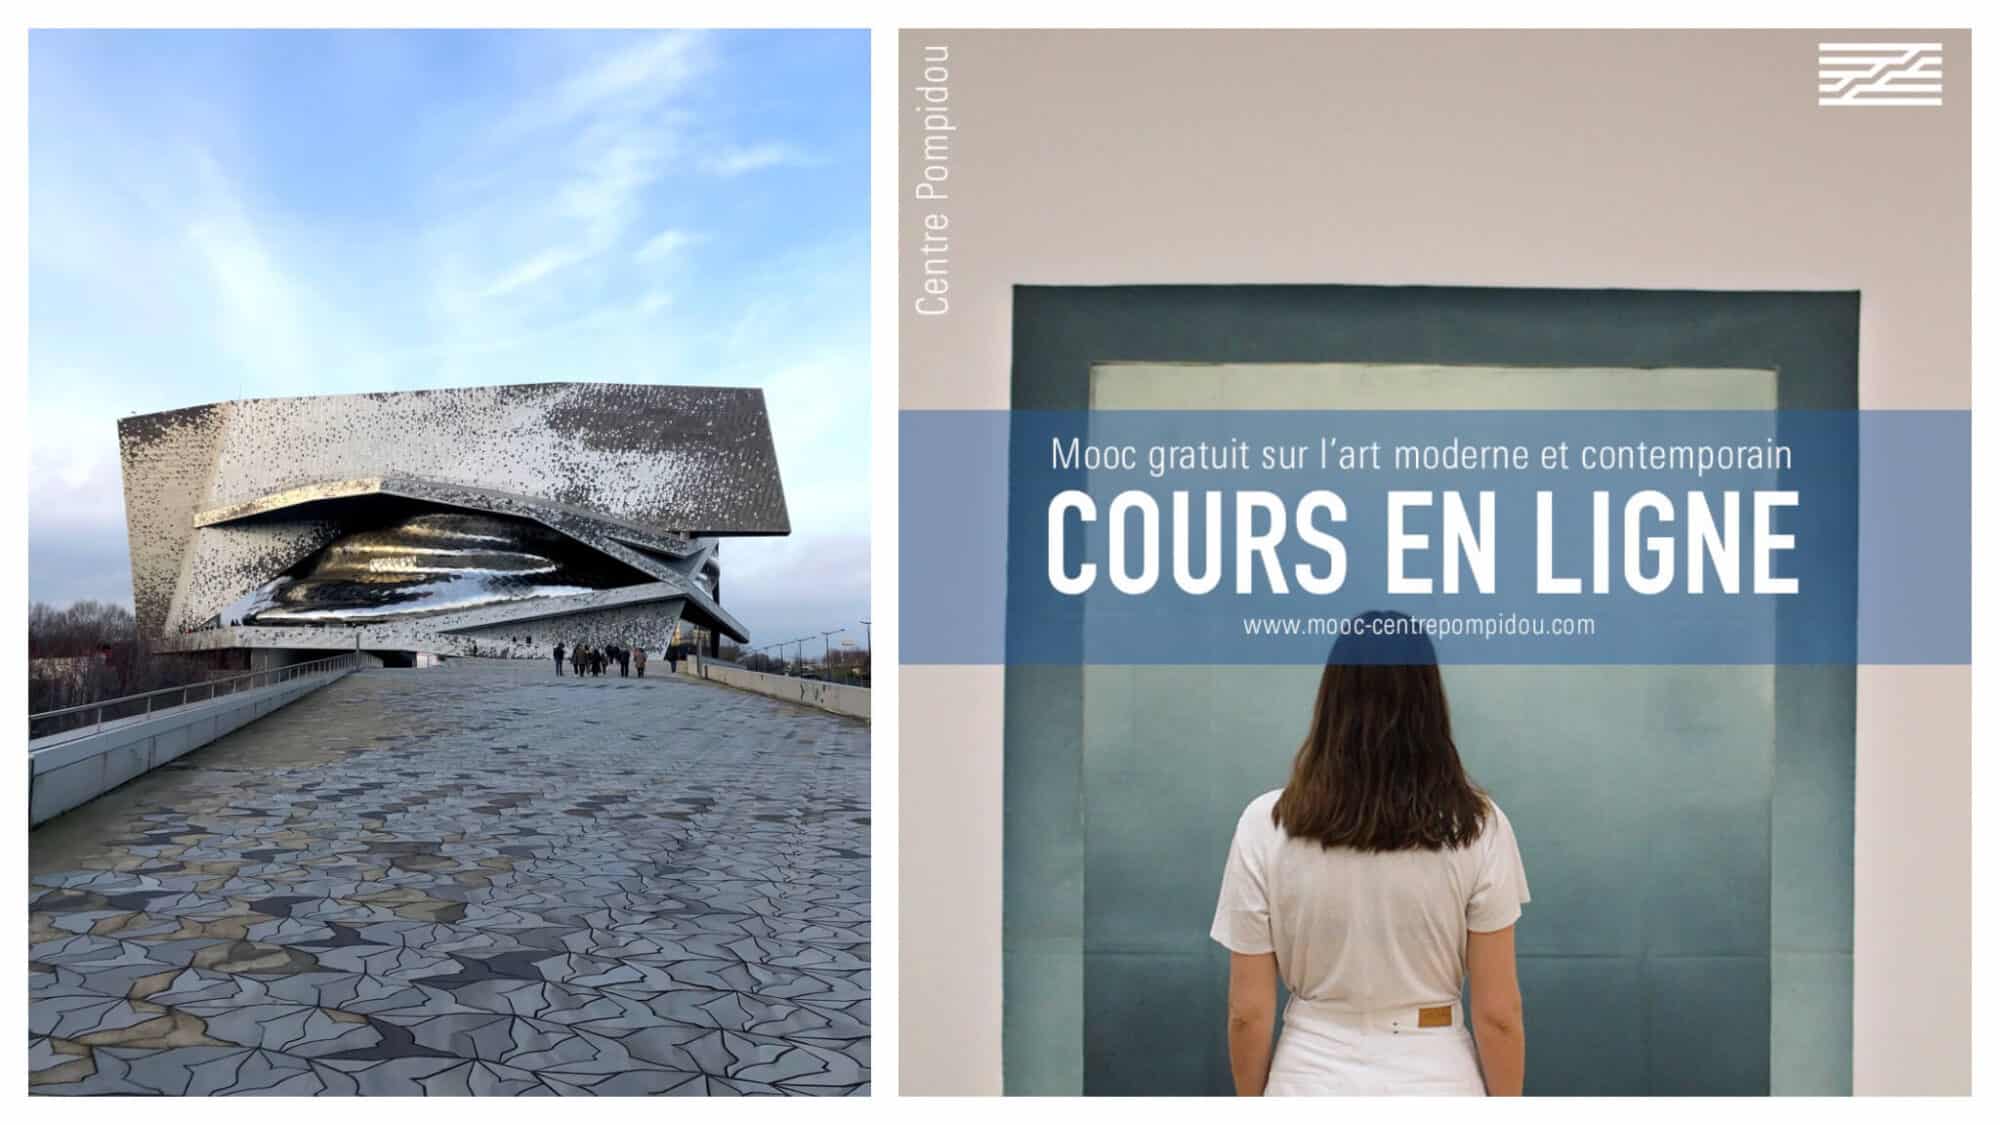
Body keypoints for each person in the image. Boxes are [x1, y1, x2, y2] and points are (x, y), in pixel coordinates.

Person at [1210, 610, 1529, 1097]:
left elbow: (1247, 1012)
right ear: (1430, 703)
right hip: (1436, 1077)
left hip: (1308, 1077)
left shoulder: (1265, 823)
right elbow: (1499, 1013)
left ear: (1332, 699)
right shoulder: (1479, 827)